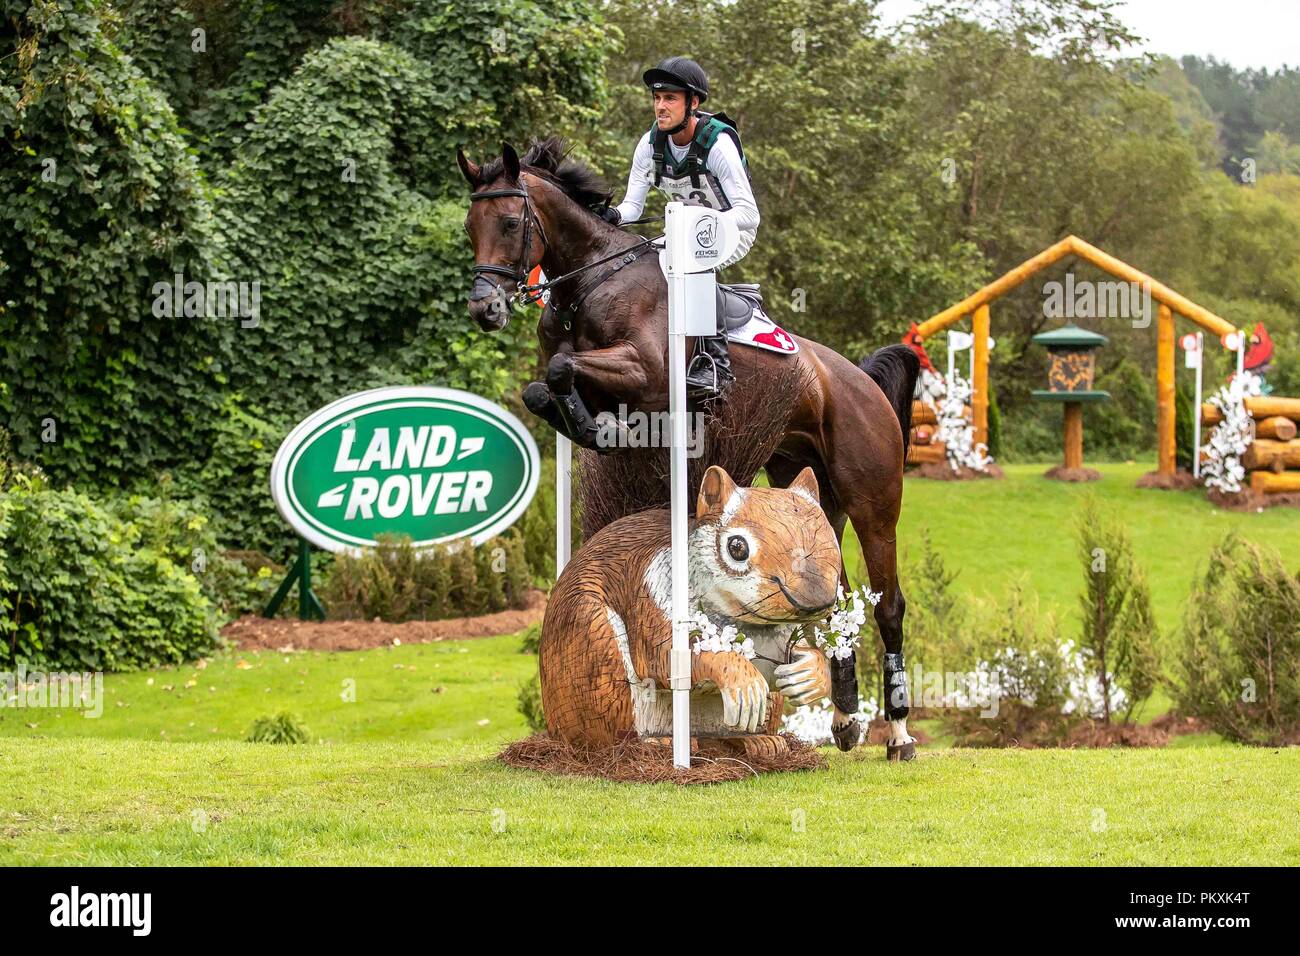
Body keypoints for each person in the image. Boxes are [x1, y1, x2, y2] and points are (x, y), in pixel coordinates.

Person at [602, 56, 760, 398]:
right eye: (657, 98)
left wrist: (699, 226)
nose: (660, 107)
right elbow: (633, 206)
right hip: (681, 230)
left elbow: (749, 213)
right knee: (639, 260)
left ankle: (716, 365)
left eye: (670, 98)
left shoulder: (717, 144)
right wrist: (611, 216)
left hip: (733, 229)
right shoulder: (649, 145)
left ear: (693, 102)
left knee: (690, 258)